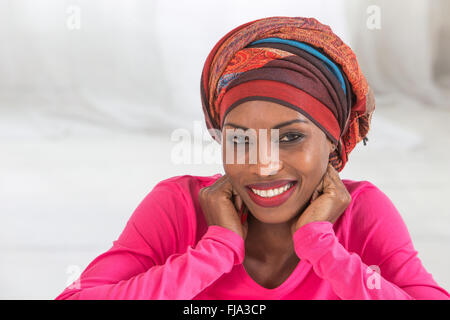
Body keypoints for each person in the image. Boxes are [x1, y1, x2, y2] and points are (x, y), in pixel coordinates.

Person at [55, 16, 450, 300]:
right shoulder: (178, 207)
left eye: (291, 137)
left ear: (333, 142)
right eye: (241, 139)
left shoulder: (362, 214)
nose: (263, 165)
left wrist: (321, 247)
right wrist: (217, 249)